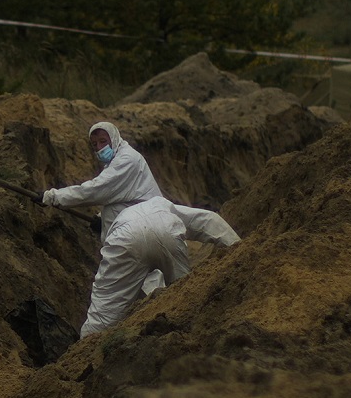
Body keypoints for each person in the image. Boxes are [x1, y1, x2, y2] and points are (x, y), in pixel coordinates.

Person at [41, 120, 240, 337]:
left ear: (114, 139)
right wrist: (240, 247)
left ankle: (85, 350)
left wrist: (56, 197)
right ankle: (187, 335)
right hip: (165, 227)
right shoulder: (160, 203)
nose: (99, 147)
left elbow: (97, 189)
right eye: (95, 144)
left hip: (126, 238)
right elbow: (207, 220)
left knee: (102, 316)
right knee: (182, 296)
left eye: (103, 141)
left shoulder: (127, 159)